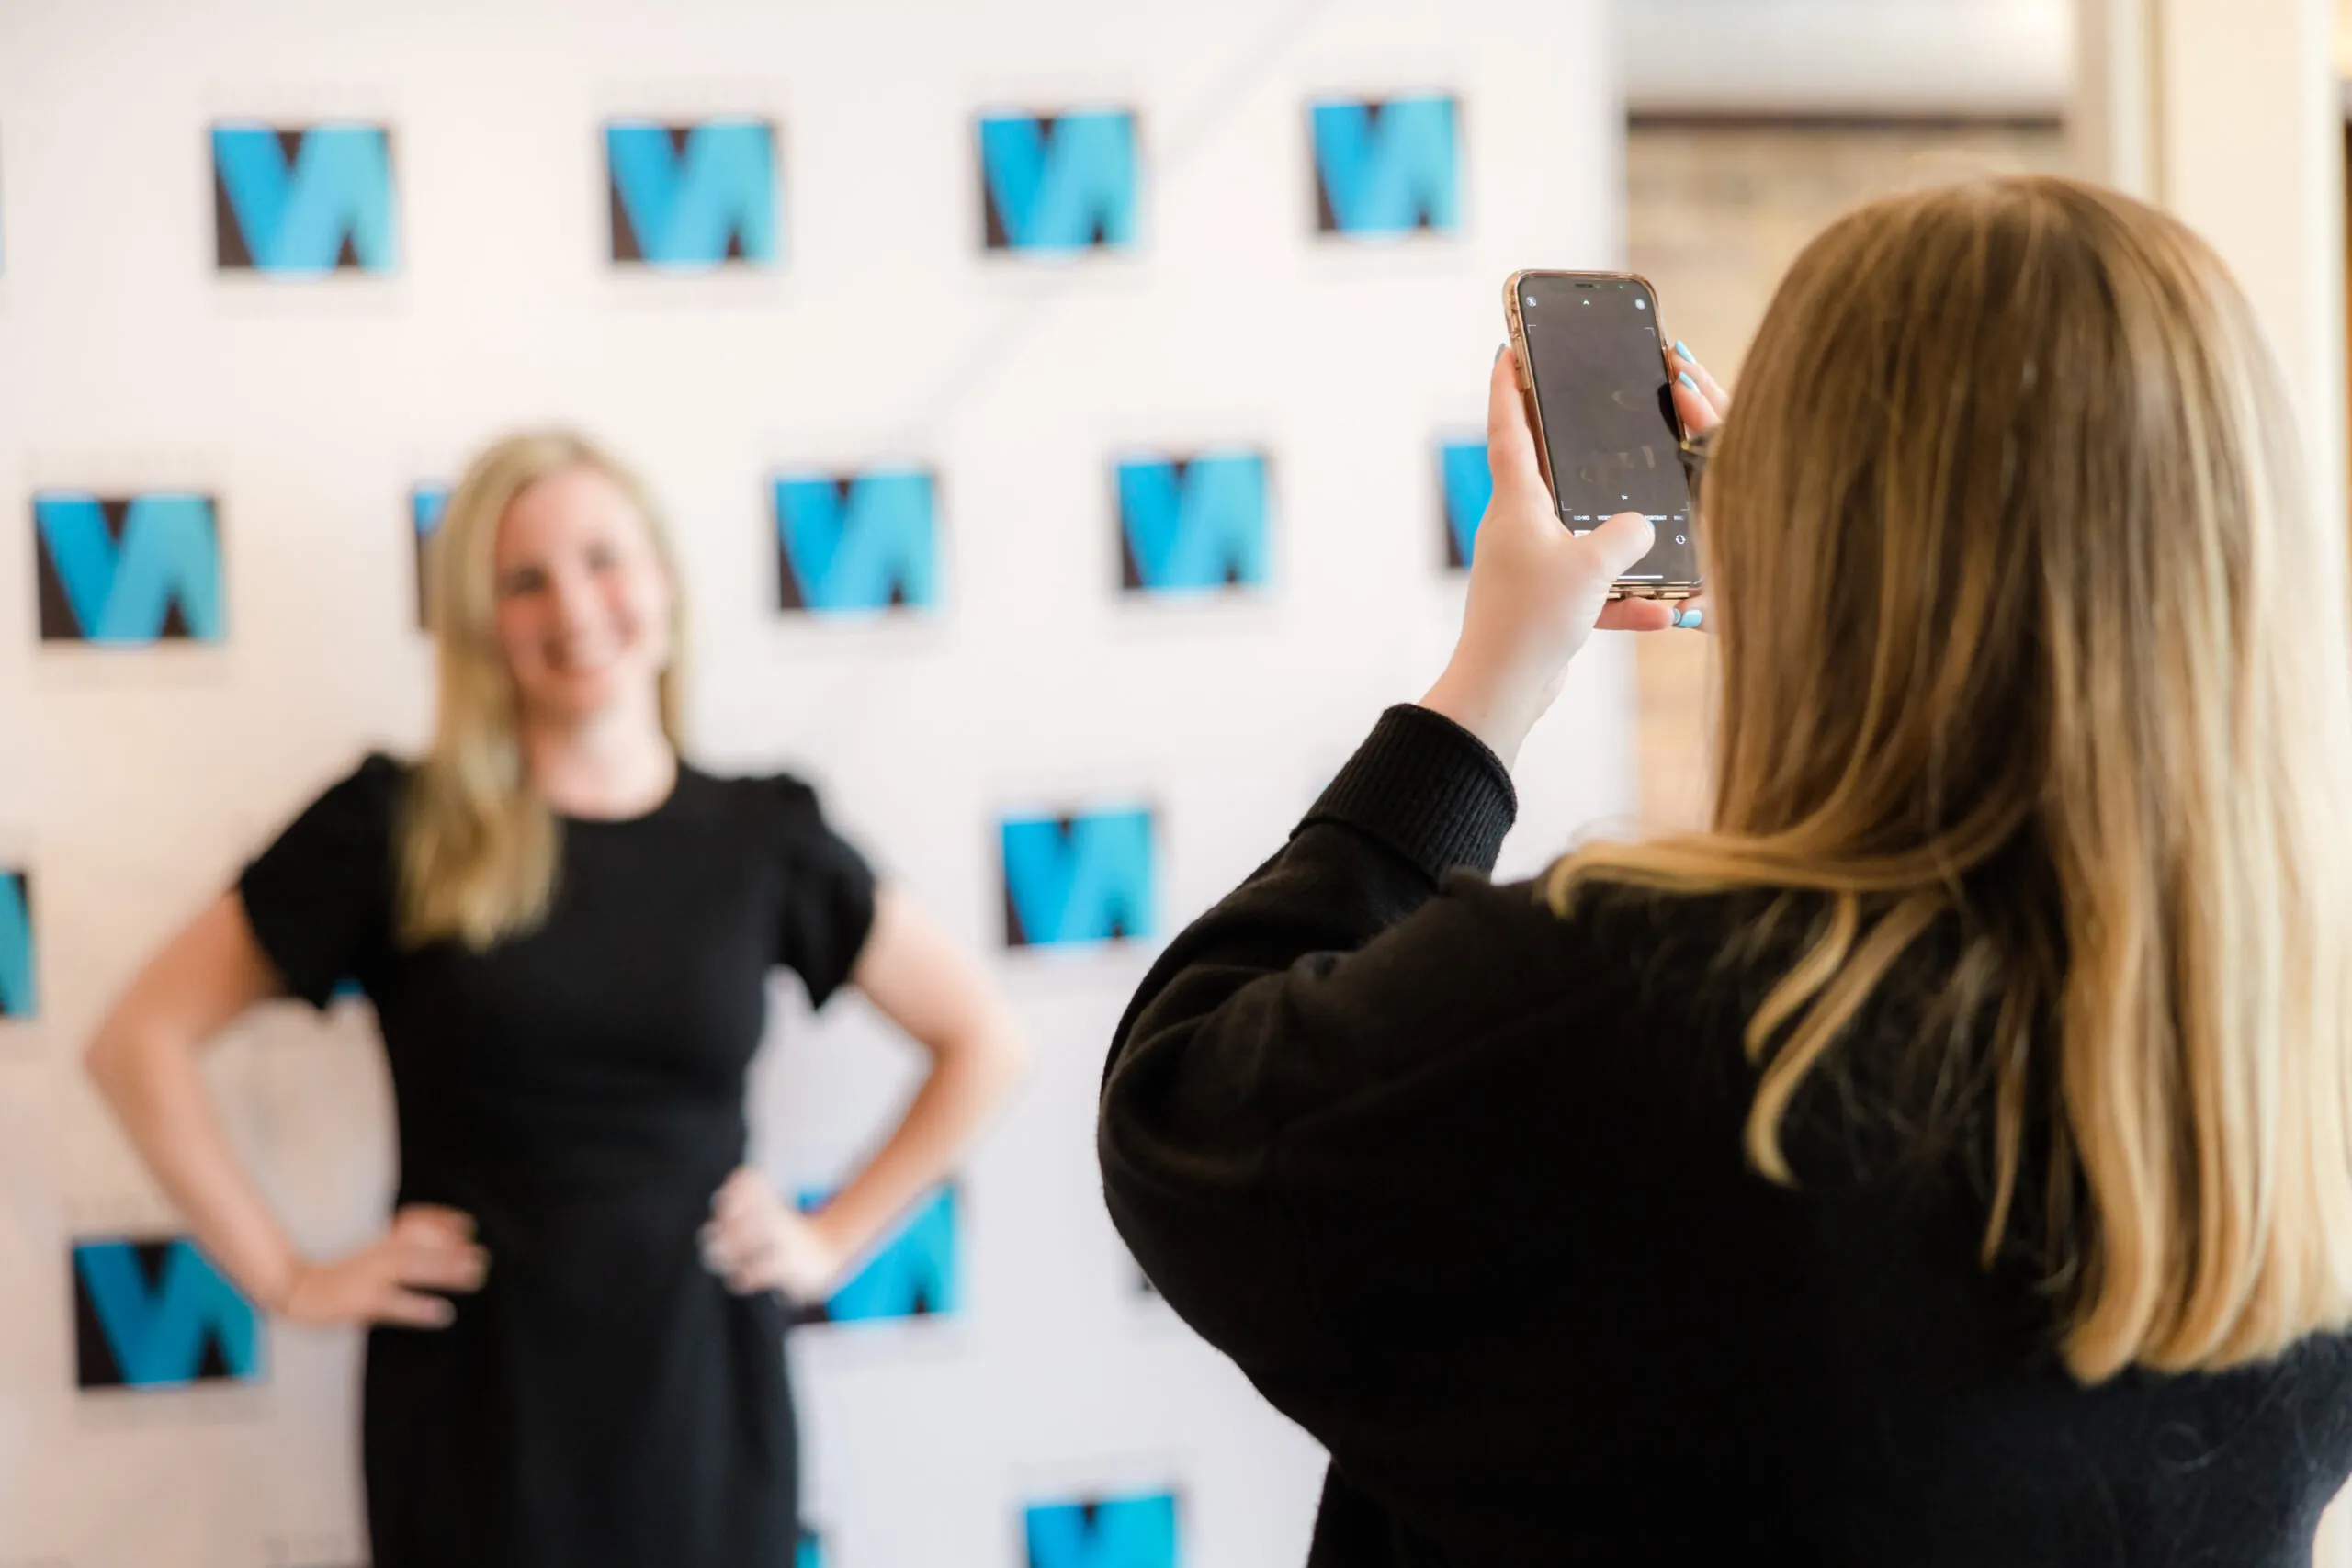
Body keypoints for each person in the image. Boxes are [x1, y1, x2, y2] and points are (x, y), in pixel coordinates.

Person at [1098, 175, 2352, 1566]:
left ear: (1805, 537)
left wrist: (1487, 687)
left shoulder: (1643, 1011)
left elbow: (1184, 1118)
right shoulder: (2293, 1090)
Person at [85, 432, 1030, 1568]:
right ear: (481, 623)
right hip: (474, 1407)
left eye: (602, 558)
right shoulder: (396, 826)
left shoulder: (762, 837)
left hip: (701, 1394)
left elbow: (983, 1040)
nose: (573, 606)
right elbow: (138, 1041)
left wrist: (831, 1238)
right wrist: (289, 1277)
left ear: (665, 582)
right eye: (523, 579)